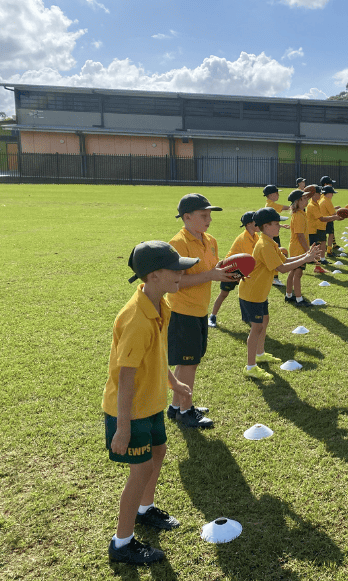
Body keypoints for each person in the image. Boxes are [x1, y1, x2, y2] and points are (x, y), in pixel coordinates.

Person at [104, 241, 197, 564]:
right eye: (176, 270)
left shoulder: (161, 305)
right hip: (130, 411)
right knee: (140, 470)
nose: (182, 275)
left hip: (152, 403)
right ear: (155, 275)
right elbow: (125, 378)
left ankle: (145, 510)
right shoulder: (136, 319)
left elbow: (155, 356)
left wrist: (174, 382)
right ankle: (122, 543)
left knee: (159, 452)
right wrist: (123, 427)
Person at [167, 193, 238, 428]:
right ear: (187, 217)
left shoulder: (211, 240)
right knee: (189, 363)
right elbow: (174, 284)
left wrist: (225, 271)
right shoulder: (177, 244)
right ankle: (186, 412)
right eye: (203, 215)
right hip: (182, 311)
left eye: (210, 215)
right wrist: (211, 275)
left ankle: (176, 406)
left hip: (200, 311)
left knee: (186, 362)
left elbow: (212, 268)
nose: (209, 219)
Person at [240, 208, 321, 381]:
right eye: (276, 224)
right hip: (252, 293)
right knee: (256, 328)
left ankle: (260, 354)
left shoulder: (270, 242)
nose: (280, 226)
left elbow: (284, 261)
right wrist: (305, 259)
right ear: (266, 226)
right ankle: (250, 366)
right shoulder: (264, 245)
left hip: (260, 292)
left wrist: (305, 255)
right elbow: (282, 269)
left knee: (264, 321)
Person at [208, 211, 258, 329]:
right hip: (230, 270)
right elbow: (248, 258)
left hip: (243, 269)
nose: (259, 223)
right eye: (257, 221)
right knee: (224, 294)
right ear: (249, 224)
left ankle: (247, 316)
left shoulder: (256, 236)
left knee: (248, 292)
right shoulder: (243, 239)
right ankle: (212, 316)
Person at [285, 189, 312, 306]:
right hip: (298, 248)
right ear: (297, 202)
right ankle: (299, 299)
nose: (307, 200)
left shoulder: (300, 214)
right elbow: (300, 235)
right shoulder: (299, 216)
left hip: (296, 247)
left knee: (293, 271)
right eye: (304, 199)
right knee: (298, 273)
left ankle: (289, 295)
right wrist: (308, 250)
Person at [264, 185, 288, 286]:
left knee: (276, 254)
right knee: (276, 255)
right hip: (272, 234)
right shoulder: (271, 205)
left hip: (272, 232)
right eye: (276, 193)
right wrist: (293, 207)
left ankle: (273, 276)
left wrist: (281, 225)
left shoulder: (270, 204)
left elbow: (272, 221)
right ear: (271, 195)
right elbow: (283, 207)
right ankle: (274, 278)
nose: (278, 195)